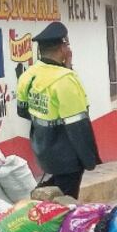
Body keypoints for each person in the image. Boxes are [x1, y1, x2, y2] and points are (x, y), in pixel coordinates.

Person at [15, 22, 99, 199]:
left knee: (52, 197)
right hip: (68, 158)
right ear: (62, 48)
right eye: (66, 45)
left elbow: (23, 111)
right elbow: (78, 126)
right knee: (66, 203)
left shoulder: (28, 75)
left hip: (44, 153)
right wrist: (89, 159)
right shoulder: (66, 80)